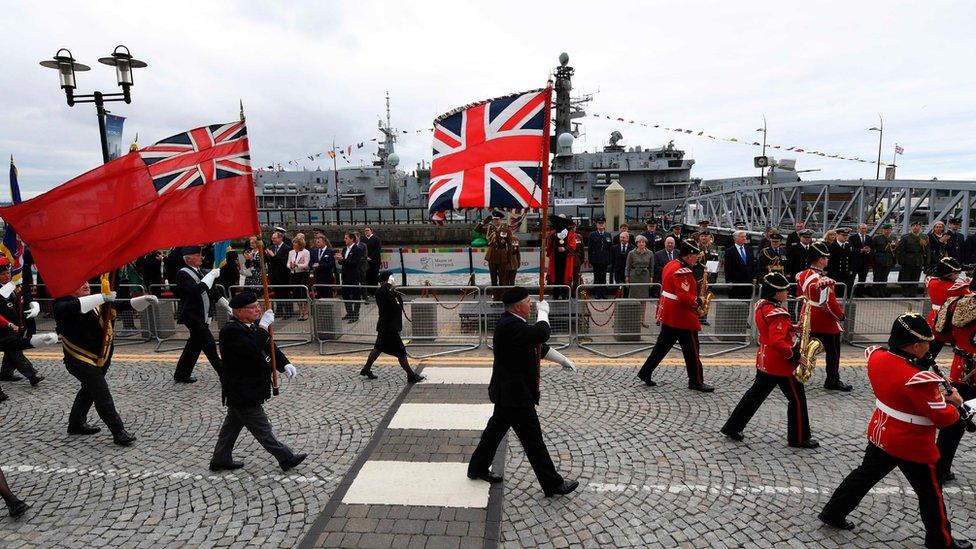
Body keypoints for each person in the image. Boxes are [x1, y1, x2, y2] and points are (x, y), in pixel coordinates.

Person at [818, 313, 971, 549]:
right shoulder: (919, 379)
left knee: (864, 475)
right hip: (910, 443)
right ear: (916, 345)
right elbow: (943, 418)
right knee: (931, 494)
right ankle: (941, 541)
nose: (929, 347)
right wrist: (954, 403)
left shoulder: (877, 357)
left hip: (882, 431)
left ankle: (833, 511)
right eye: (926, 343)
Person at [467, 287, 579, 497]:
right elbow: (541, 333)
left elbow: (537, 345)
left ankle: (477, 468)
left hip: (508, 392)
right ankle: (553, 484)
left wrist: (562, 360)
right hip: (515, 395)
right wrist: (544, 313)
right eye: (529, 301)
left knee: (494, 432)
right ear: (518, 306)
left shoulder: (514, 324)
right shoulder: (509, 326)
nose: (532, 304)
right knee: (533, 441)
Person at [209, 290, 307, 472]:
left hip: (250, 387)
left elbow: (269, 346)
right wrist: (262, 327)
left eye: (257, 306)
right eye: (252, 307)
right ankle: (286, 457)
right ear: (238, 311)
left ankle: (220, 458)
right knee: (263, 429)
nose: (257, 309)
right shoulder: (230, 331)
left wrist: (285, 364)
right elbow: (253, 348)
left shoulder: (251, 326)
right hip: (243, 390)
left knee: (232, 425)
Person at [721, 272, 818, 448]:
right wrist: (796, 356)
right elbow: (778, 342)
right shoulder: (778, 313)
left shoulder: (763, 306)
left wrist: (794, 327)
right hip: (781, 365)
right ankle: (799, 437)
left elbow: (770, 329)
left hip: (765, 360)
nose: (787, 293)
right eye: (784, 291)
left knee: (754, 396)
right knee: (797, 400)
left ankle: (732, 426)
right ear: (775, 293)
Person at [54, 283, 157, 445]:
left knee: (88, 390)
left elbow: (121, 305)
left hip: (100, 357)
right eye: (80, 283)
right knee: (102, 394)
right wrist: (101, 297)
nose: (86, 285)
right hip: (79, 359)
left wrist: (144, 300)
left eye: (87, 281)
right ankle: (118, 432)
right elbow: (71, 308)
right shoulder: (62, 303)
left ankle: (76, 423)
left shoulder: (95, 300)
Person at [637, 240, 713, 392]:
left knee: (661, 346)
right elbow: (684, 297)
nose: (697, 259)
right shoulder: (683, 272)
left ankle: (645, 372)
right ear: (689, 256)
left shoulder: (671, 264)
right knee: (692, 350)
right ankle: (696, 381)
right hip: (681, 316)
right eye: (695, 256)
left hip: (669, 313)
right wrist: (699, 300)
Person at [796, 241, 851, 392]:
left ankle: (789, 372)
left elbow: (800, 296)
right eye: (826, 258)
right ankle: (832, 380)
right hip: (824, 321)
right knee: (833, 353)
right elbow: (829, 304)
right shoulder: (823, 280)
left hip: (807, 316)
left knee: (801, 348)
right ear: (820, 259)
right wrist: (840, 316)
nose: (827, 260)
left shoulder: (802, 275)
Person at [934, 293, 976, 484]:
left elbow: (942, 335)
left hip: (961, 372)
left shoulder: (956, 304)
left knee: (953, 424)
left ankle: (940, 469)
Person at [358, 271, 426, 383]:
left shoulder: (391, 292)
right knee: (401, 352)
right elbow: (386, 294)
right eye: (391, 278)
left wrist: (394, 290)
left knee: (378, 348)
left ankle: (366, 369)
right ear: (386, 281)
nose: (394, 280)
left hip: (388, 327)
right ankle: (411, 375)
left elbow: (398, 303)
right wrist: (389, 284)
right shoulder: (381, 292)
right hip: (389, 328)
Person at [173, 246, 227, 384]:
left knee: (194, 346)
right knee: (209, 345)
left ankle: (181, 374)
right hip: (192, 316)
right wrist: (210, 276)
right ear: (189, 258)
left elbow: (213, 292)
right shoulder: (182, 274)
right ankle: (225, 375)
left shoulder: (201, 272)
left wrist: (229, 307)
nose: (201, 257)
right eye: (198, 255)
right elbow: (196, 290)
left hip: (203, 315)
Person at [0, 259, 44, 386]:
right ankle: (32, 375)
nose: (7, 276)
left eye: (8, 273)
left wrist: (33, 305)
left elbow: (25, 298)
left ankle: (6, 373)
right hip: (4, 327)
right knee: (15, 351)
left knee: (11, 351)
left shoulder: (15, 286)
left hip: (18, 324)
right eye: (3, 274)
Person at [925, 257, 970, 359]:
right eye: (955, 273)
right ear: (948, 274)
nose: (957, 275)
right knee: (963, 348)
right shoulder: (957, 288)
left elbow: (930, 278)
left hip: (933, 318)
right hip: (948, 320)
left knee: (931, 351)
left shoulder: (931, 282)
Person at [478, 211, 517, 298]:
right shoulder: (489, 228)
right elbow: (477, 229)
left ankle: (502, 295)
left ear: (501, 220)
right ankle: (495, 295)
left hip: (502, 256)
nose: (495, 221)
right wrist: (483, 222)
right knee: (493, 277)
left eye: (497, 219)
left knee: (503, 277)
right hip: (491, 255)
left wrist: (509, 258)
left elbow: (510, 246)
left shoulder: (506, 230)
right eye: (494, 219)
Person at [626, 235, 654, 327]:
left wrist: (651, 277)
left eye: (643, 242)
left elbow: (652, 267)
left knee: (643, 299)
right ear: (636, 243)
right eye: (639, 242)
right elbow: (628, 266)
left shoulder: (650, 253)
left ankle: (642, 320)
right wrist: (627, 278)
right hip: (634, 276)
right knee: (633, 298)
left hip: (645, 276)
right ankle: (632, 319)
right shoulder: (631, 253)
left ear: (645, 243)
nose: (641, 244)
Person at [546, 215, 576, 299]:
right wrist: (551, 239)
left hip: (565, 257)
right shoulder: (553, 232)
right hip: (555, 257)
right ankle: (555, 295)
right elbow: (549, 244)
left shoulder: (570, 232)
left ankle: (564, 295)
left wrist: (564, 248)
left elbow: (573, 245)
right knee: (555, 277)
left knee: (565, 277)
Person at [337, 232, 364, 322]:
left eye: (346, 238)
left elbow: (354, 263)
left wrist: (343, 260)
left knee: (356, 295)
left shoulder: (358, 249)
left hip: (354, 275)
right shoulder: (344, 249)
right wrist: (339, 259)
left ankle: (355, 314)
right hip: (345, 275)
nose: (344, 240)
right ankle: (349, 312)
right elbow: (342, 263)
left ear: (352, 239)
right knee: (345, 295)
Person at [897, 220, 928, 297]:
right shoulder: (905, 237)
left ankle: (913, 293)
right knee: (906, 277)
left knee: (916, 277)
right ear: (911, 227)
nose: (915, 227)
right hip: (908, 259)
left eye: (917, 226)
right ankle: (905, 293)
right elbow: (900, 250)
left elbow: (926, 250)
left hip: (918, 260)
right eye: (914, 226)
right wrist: (902, 261)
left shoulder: (923, 237)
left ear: (920, 227)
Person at [723, 230, 755, 299]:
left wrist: (754, 277)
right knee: (735, 305)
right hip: (735, 283)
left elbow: (752, 264)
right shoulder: (729, 251)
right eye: (742, 237)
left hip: (748, 282)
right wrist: (728, 281)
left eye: (745, 237)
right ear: (735, 238)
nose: (744, 238)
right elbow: (727, 268)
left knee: (747, 303)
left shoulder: (749, 249)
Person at [287, 236, 310, 321]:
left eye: (296, 242)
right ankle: (301, 311)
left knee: (303, 293)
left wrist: (297, 265)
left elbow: (306, 264)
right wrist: (291, 266)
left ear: (300, 244)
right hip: (294, 274)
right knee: (296, 293)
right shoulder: (291, 252)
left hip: (302, 274)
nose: (294, 244)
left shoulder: (306, 252)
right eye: (293, 242)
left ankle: (306, 311)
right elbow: (288, 264)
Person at [827, 228, 854, 298]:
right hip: (835, 274)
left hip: (845, 273)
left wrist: (850, 270)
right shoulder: (832, 246)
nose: (845, 237)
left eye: (846, 235)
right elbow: (829, 261)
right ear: (837, 235)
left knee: (845, 293)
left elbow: (850, 259)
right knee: (836, 294)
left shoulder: (848, 246)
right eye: (843, 235)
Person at [588, 217, 611, 297]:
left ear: (604, 224)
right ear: (597, 225)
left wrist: (609, 259)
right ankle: (597, 293)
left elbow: (609, 248)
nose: (601, 225)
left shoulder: (608, 235)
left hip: (604, 260)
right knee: (597, 277)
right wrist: (590, 260)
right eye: (599, 223)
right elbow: (590, 248)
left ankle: (603, 293)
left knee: (604, 277)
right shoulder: (592, 235)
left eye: (602, 223)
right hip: (596, 260)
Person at [872, 224, 896, 297]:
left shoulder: (893, 238)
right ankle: (875, 292)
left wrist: (894, 261)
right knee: (877, 277)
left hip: (888, 260)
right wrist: (872, 261)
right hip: (879, 259)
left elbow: (894, 250)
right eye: (886, 229)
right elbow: (872, 250)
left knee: (885, 277)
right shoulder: (877, 238)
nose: (887, 231)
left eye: (889, 230)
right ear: (882, 230)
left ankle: (882, 292)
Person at [850, 223, 873, 296]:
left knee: (862, 279)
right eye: (862, 228)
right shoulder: (853, 237)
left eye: (865, 228)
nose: (864, 230)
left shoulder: (869, 238)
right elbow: (851, 249)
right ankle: (849, 293)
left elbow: (872, 248)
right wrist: (861, 250)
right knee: (851, 279)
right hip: (855, 262)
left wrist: (869, 250)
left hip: (865, 262)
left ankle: (859, 293)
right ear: (858, 229)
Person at [362, 226, 382, 294]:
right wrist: (365, 257)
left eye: (368, 230)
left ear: (371, 231)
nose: (366, 232)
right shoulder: (363, 240)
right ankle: (368, 291)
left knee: (374, 277)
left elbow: (377, 249)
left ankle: (374, 292)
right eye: (365, 231)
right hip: (365, 262)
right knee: (367, 277)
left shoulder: (376, 239)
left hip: (375, 261)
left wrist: (370, 257)